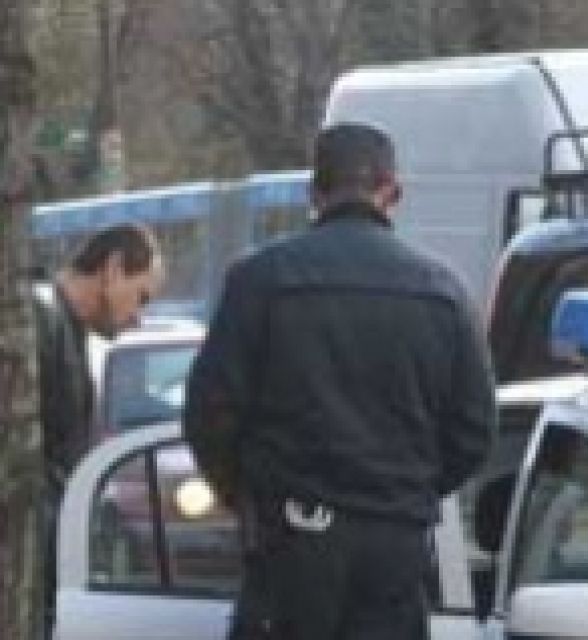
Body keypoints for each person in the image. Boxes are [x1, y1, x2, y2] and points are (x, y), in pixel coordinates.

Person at [184, 123, 497, 640]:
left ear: (314, 192)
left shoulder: (260, 281)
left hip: (290, 542)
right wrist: (408, 491)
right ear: (392, 191)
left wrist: (246, 493)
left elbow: (210, 413)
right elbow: (474, 431)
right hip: (395, 548)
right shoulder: (444, 293)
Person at [34, 222, 165, 634]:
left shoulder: (60, 327)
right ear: (113, 269)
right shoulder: (42, 325)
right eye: (141, 297)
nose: (138, 319)